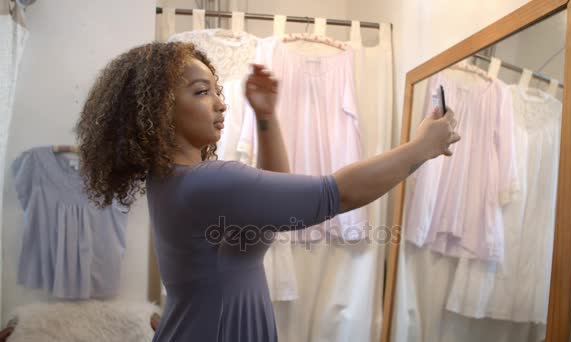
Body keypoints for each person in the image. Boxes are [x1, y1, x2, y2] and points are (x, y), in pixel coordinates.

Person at [75, 41, 459, 342]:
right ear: (158, 109)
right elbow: (336, 195)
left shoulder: (175, 180)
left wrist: (265, 115)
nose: (221, 104)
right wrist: (422, 147)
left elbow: (279, 208)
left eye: (216, 91)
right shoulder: (206, 182)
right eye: (201, 92)